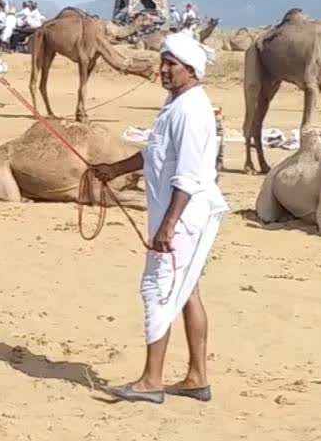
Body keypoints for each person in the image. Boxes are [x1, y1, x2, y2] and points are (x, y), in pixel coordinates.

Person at [89, 32, 228, 404]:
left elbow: (188, 176)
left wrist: (167, 226)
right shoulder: (175, 104)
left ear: (191, 70)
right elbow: (155, 154)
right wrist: (113, 170)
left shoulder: (191, 111)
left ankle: (151, 382)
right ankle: (196, 378)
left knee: (158, 289)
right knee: (186, 292)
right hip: (176, 215)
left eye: (172, 64)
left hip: (184, 218)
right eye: (163, 62)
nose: (163, 69)